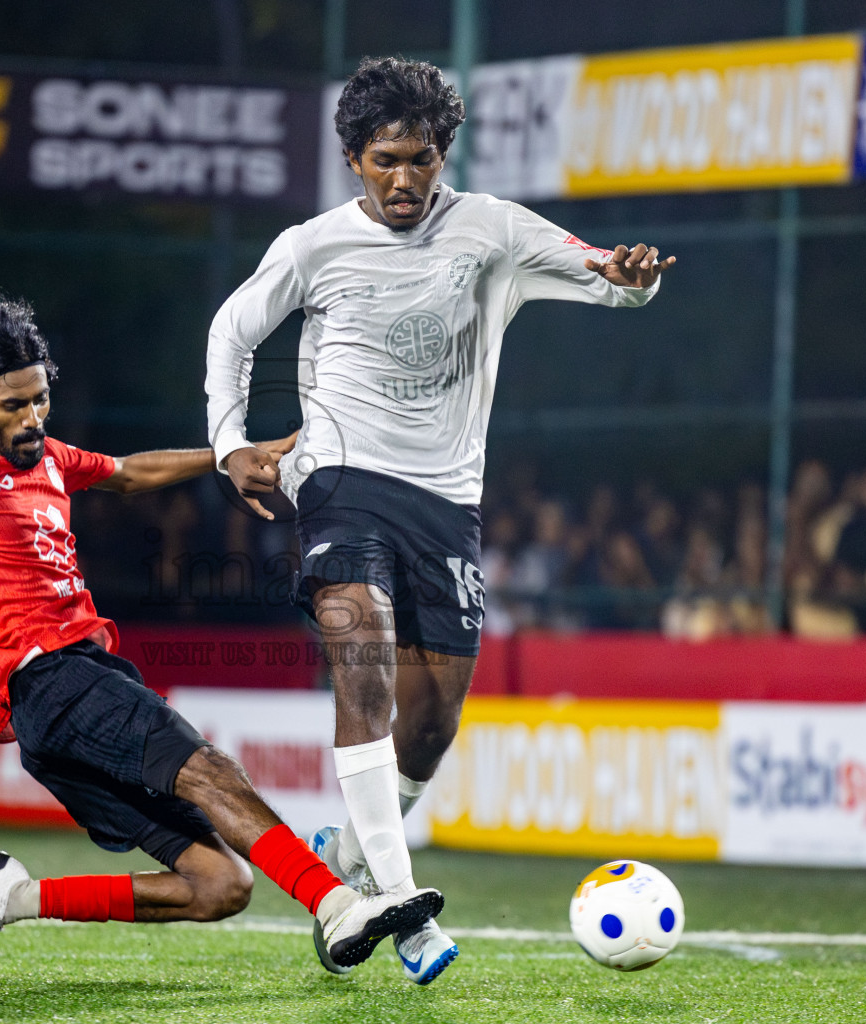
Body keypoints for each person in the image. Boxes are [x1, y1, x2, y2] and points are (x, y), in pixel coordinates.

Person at [0, 297, 441, 971]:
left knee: (218, 884)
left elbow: (127, 473)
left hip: (72, 697)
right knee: (210, 769)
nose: (34, 415)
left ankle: (15, 897)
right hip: (47, 679)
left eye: (40, 397)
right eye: (14, 404)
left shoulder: (51, 458)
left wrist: (229, 457)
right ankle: (339, 904)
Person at [204, 57, 673, 984]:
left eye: (421, 159)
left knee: (431, 725)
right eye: (385, 161)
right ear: (352, 159)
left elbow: (607, 279)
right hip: (338, 477)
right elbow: (232, 330)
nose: (405, 179)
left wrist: (633, 276)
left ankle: (356, 853)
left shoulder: (493, 229)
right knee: (364, 659)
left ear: (443, 153)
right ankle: (399, 908)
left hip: (447, 500)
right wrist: (229, 445)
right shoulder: (312, 246)